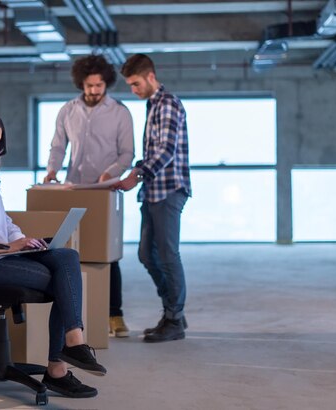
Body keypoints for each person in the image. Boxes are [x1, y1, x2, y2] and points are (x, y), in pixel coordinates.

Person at [0, 108, 106, 398]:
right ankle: (59, 367)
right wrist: (6, 246)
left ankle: (73, 343)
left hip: (4, 257)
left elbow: (4, 223)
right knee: (62, 281)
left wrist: (23, 239)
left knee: (66, 257)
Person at [43, 54, 135, 338]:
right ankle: (78, 316)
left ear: (106, 83)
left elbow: (127, 153)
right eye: (89, 85)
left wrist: (110, 172)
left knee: (108, 254)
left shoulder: (120, 112)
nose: (94, 91)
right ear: (80, 83)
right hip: (73, 188)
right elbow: (58, 146)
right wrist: (51, 171)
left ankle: (115, 315)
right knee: (72, 253)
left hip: (105, 191)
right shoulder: (68, 111)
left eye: (99, 85)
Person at [114, 54, 192, 343]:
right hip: (153, 190)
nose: (133, 90)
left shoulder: (167, 103)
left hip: (169, 189)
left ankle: (174, 318)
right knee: (147, 254)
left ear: (150, 76)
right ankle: (173, 312)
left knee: (168, 255)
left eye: (135, 84)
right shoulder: (153, 105)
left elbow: (166, 150)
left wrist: (137, 173)